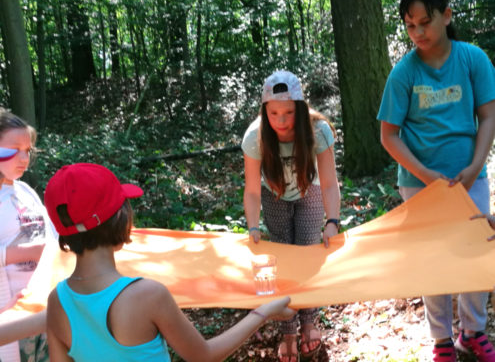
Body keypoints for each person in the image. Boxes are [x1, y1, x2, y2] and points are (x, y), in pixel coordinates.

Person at [44, 163, 295, 362]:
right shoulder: (147, 294)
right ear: (119, 217)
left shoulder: (57, 301)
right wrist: (263, 312)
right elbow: (204, 355)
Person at [377, 0, 495, 362]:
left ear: (446, 15)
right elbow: (389, 136)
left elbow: (488, 115)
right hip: (420, 183)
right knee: (433, 259)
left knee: (475, 251)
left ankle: (472, 333)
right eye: (410, 25)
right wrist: (428, 177)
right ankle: (442, 340)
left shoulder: (473, 59)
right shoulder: (404, 73)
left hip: (469, 178)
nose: (418, 32)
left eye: (424, 22)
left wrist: (476, 164)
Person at [242, 70, 341, 361]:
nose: (282, 121)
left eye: (288, 113)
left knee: (308, 252)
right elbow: (250, 190)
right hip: (274, 195)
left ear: (300, 108)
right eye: (274, 113)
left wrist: (332, 221)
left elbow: (329, 182)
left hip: (308, 190)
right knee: (281, 257)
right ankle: (288, 329)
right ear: (264, 111)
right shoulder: (254, 136)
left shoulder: (318, 130)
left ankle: (309, 319)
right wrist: (252, 226)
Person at [0, 108, 56, 362]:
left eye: (28, 150)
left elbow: (53, 239)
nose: (24, 158)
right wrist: (29, 252)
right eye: (14, 149)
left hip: (43, 313)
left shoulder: (26, 192)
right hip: (8, 319)